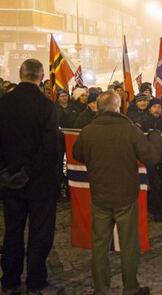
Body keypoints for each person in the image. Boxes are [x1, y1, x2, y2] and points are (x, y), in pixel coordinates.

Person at [73, 90, 162, 295]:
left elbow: (77, 153)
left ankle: (101, 290)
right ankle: (130, 288)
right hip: (125, 197)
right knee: (129, 244)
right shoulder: (130, 130)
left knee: (99, 245)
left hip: (100, 196)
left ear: (99, 107)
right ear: (117, 106)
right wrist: (155, 136)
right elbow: (151, 157)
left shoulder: (88, 130)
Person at [0, 59, 63, 294]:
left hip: (9, 181)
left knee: (13, 231)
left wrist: (6, 172)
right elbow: (50, 149)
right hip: (40, 183)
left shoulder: (3, 103)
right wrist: (27, 173)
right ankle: (36, 280)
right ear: (41, 76)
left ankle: (10, 279)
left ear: (20, 74)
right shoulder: (46, 106)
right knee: (40, 233)